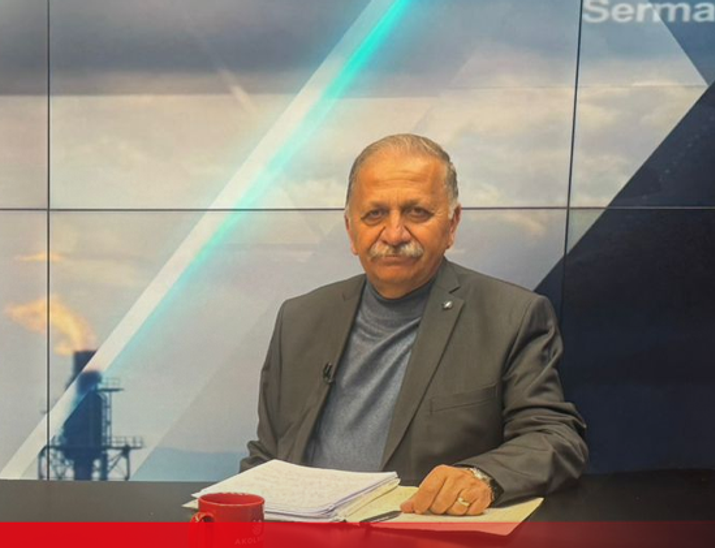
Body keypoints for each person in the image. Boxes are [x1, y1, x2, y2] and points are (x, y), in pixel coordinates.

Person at [242, 134, 586, 515]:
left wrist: (481, 476)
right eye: (375, 215)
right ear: (350, 230)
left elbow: (555, 438)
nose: (393, 234)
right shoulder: (299, 319)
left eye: (417, 213)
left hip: (421, 538)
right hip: (302, 539)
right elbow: (267, 457)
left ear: (452, 224)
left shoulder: (512, 317)